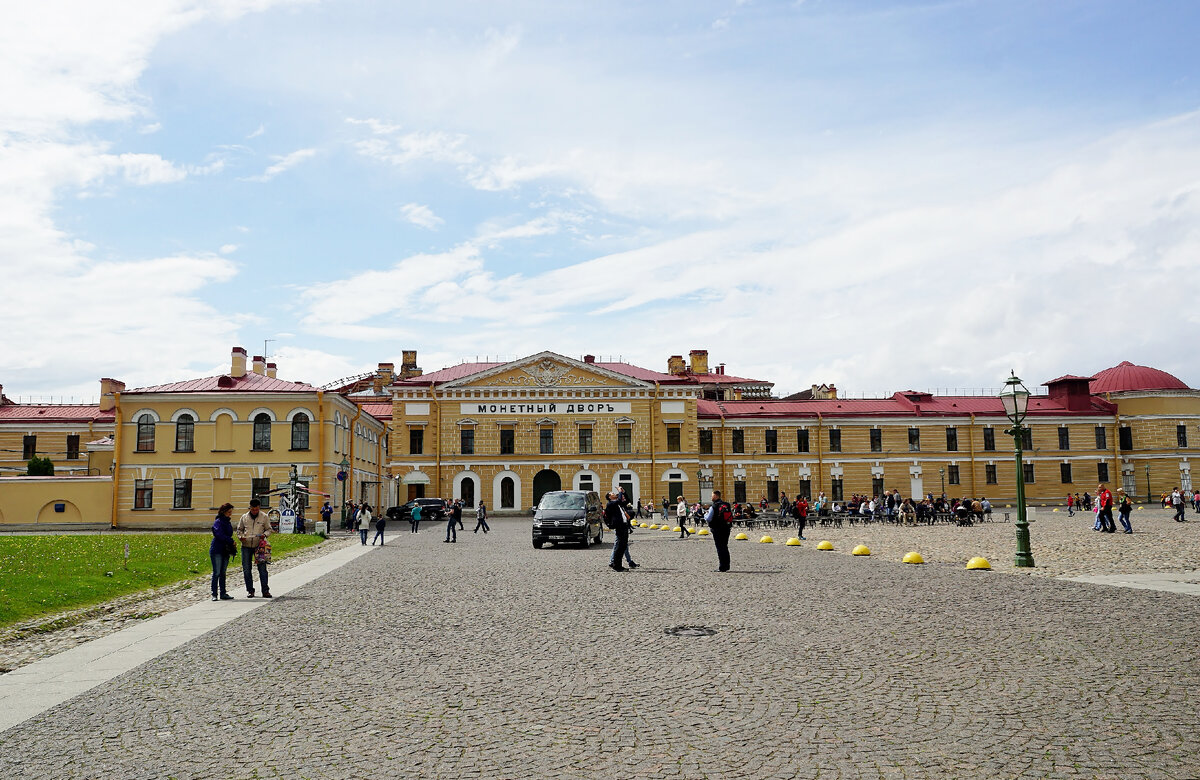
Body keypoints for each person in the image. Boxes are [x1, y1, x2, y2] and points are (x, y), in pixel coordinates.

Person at [236, 498, 272, 598]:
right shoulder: (244, 517)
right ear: (250, 508)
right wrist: (240, 537)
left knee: (262, 569)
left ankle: (265, 590)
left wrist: (264, 535)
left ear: (259, 508)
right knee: (247, 569)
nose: (254, 511)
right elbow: (239, 530)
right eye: (252, 509)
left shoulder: (264, 517)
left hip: (259, 546)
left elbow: (269, 529)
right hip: (246, 546)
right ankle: (250, 590)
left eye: (256, 509)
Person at [209, 503, 236, 601]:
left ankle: (223, 593)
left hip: (225, 550)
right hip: (217, 549)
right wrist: (230, 540)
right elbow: (219, 534)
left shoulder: (228, 522)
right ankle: (214, 594)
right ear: (223, 512)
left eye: (231, 512)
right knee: (216, 572)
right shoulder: (218, 522)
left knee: (223, 572)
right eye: (229, 512)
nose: (230, 514)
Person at [704, 489, 733, 573]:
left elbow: (708, 518)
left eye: (712, 495)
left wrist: (705, 515)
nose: (711, 497)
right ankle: (727, 565)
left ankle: (722, 567)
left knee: (720, 547)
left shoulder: (714, 506)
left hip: (717, 528)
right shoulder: (726, 505)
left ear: (716, 496)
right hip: (726, 528)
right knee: (725, 546)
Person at [606, 492, 632, 571]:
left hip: (624, 525)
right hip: (619, 526)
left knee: (623, 546)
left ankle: (617, 564)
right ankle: (616, 565)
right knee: (619, 547)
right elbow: (619, 500)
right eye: (612, 493)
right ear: (609, 497)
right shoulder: (610, 504)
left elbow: (627, 501)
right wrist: (620, 492)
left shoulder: (618, 503)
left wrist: (624, 492)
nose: (614, 493)